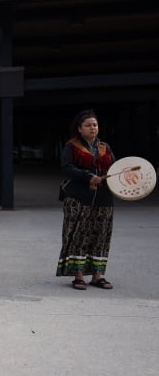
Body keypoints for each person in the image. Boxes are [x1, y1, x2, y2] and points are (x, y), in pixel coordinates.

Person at [56, 109, 116, 290]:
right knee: (78, 235)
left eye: (95, 125)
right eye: (88, 125)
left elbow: (114, 168)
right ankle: (78, 275)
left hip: (103, 199)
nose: (92, 128)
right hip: (78, 199)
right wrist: (87, 176)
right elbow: (66, 168)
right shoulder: (71, 146)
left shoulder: (105, 147)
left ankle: (98, 276)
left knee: (101, 236)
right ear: (79, 129)